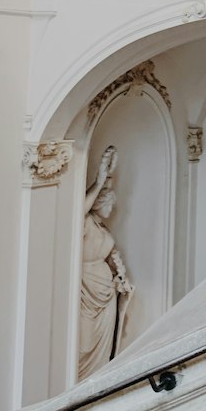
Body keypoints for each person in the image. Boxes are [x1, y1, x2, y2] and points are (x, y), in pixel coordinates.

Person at [78, 144, 134, 380]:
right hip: (88, 291)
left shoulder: (102, 228)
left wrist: (121, 281)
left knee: (103, 350)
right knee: (83, 343)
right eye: (109, 202)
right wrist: (100, 181)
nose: (113, 207)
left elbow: (112, 258)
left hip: (106, 294)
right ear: (99, 202)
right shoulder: (87, 223)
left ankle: (98, 378)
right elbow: (77, 212)